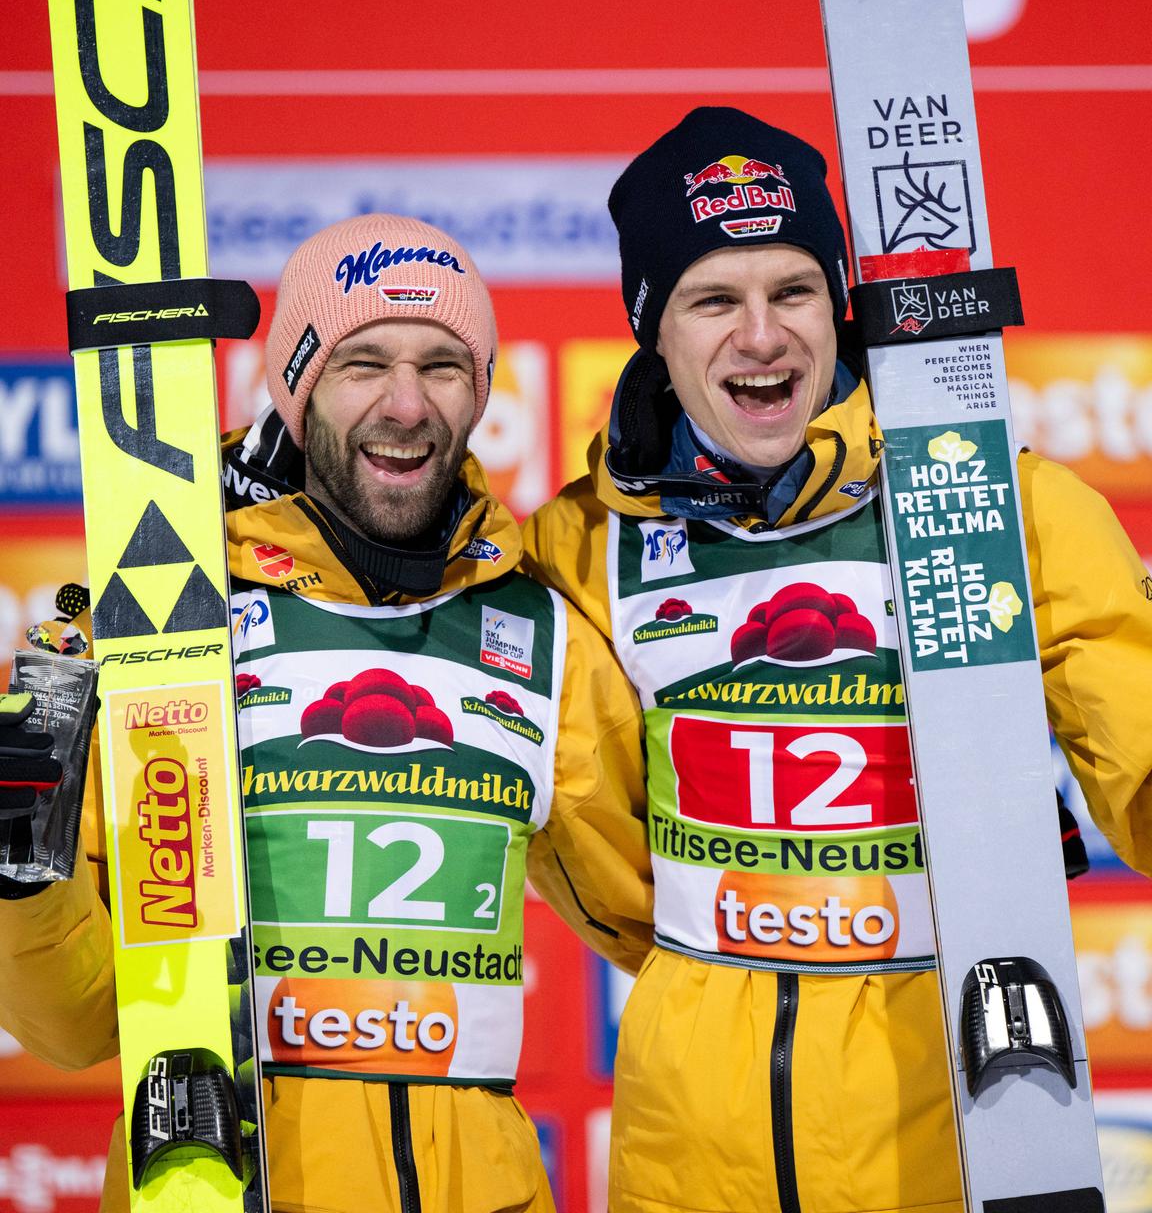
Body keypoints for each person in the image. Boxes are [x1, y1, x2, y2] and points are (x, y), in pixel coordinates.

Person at [522, 106, 1152, 1213]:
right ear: (653, 331)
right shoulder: (581, 548)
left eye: (795, 291)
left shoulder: (1003, 506)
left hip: (959, 1120)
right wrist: (717, 972)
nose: (762, 336)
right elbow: (598, 853)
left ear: (840, 305)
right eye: (714, 299)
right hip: (690, 1143)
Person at [0, 214, 650, 1213]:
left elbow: (666, 926)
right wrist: (21, 874)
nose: (405, 404)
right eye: (361, 363)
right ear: (297, 391)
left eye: (443, 365)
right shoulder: (171, 629)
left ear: (481, 391)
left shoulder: (539, 635)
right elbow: (78, 1023)